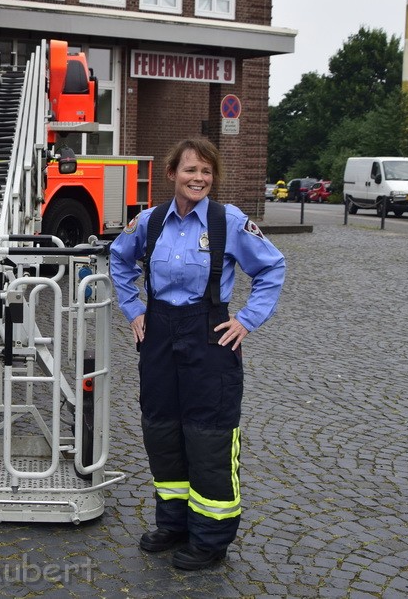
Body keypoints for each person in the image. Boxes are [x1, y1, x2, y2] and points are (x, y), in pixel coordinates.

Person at [110, 138, 285, 571]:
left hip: (209, 337)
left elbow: (272, 267)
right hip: (159, 336)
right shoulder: (149, 222)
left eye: (207, 172)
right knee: (162, 431)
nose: (199, 178)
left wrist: (246, 320)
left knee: (208, 436)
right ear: (172, 174)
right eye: (191, 170)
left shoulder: (229, 222)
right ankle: (174, 524)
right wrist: (133, 309)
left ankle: (210, 538)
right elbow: (118, 258)